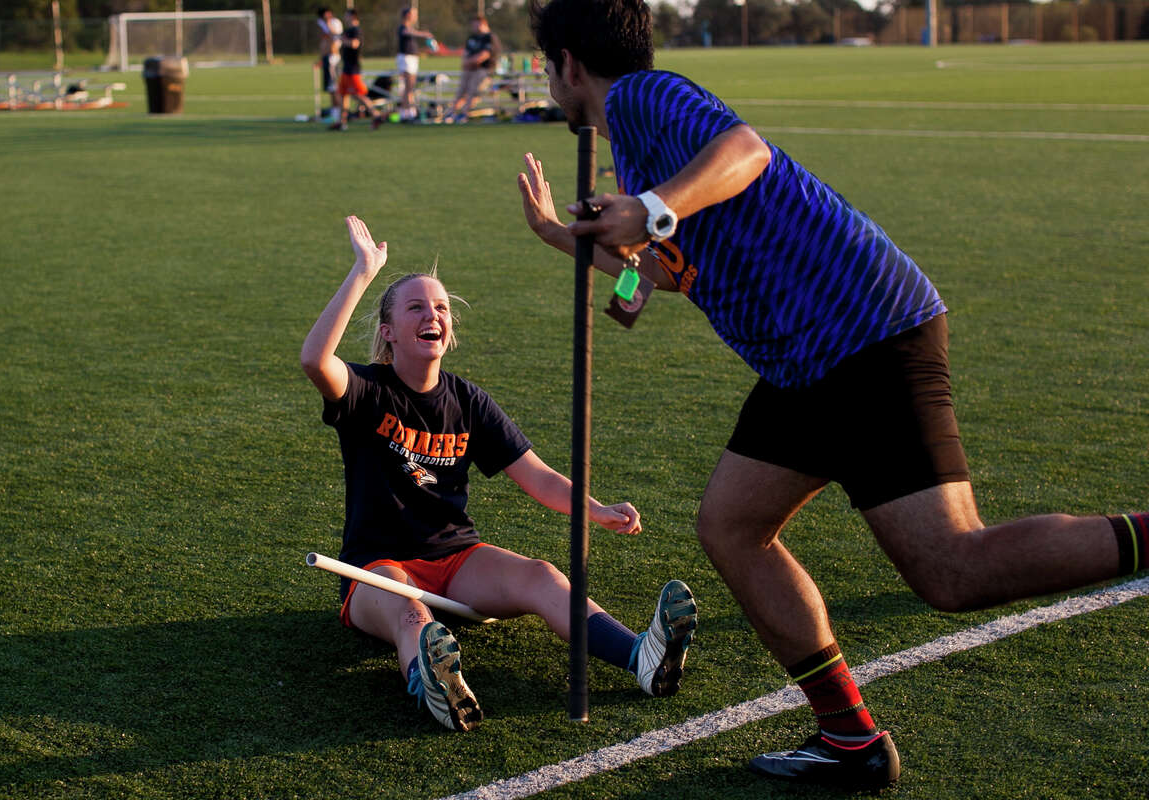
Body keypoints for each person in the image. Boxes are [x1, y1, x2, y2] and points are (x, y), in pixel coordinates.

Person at [517, 0, 1148, 789]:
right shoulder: (640, 160)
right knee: (732, 525)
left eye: (547, 65)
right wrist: (577, 239)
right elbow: (668, 279)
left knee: (952, 569)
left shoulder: (648, 97)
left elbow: (746, 151)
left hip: (860, 331)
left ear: (570, 64)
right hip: (807, 360)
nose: (550, 81)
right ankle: (848, 736)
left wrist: (648, 209)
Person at [300, 215, 699, 732]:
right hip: (376, 568)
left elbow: (536, 476)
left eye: (441, 307)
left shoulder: (469, 401)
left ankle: (642, 659)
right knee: (411, 616)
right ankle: (433, 688)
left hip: (456, 557)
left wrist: (596, 509)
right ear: (388, 333)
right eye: (416, 307)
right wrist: (362, 273)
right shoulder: (365, 391)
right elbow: (315, 359)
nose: (433, 314)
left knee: (542, 576)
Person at [331, 9, 383, 131]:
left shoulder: (356, 30)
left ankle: (376, 115)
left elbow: (355, 44)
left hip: (353, 69)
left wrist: (342, 40)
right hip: (346, 68)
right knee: (343, 94)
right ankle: (342, 121)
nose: (345, 18)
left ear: (352, 17)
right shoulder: (348, 30)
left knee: (358, 94)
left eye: (346, 16)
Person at [447, 16, 499, 124]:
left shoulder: (489, 37)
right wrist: (466, 63)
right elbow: (465, 53)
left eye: (476, 24)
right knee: (461, 92)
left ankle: (464, 114)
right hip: (469, 69)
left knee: (473, 92)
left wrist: (468, 62)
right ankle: (451, 113)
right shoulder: (472, 37)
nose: (474, 27)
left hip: (483, 70)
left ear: (483, 23)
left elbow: (484, 55)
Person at [395, 7, 435, 122]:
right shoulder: (403, 27)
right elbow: (406, 32)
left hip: (411, 59)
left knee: (410, 87)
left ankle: (408, 112)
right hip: (406, 59)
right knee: (408, 86)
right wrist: (424, 34)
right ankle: (406, 113)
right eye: (414, 14)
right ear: (408, 15)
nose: (415, 17)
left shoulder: (410, 29)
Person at [315, 7, 343, 116]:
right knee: (330, 88)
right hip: (327, 58)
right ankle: (334, 111)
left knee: (334, 87)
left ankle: (338, 112)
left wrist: (327, 24)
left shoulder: (334, 23)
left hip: (333, 58)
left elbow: (334, 38)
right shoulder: (323, 24)